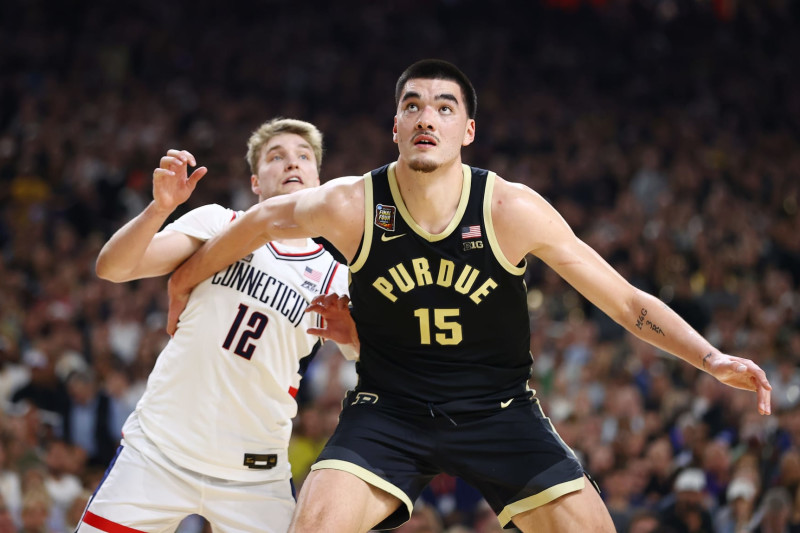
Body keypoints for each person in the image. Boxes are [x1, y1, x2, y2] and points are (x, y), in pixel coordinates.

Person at [166, 59, 772, 532]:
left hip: (499, 411)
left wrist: (711, 358)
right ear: (396, 127)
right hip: (389, 410)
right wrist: (185, 278)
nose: (428, 117)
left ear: (468, 129)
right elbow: (259, 221)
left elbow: (624, 301)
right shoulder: (352, 204)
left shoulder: (510, 208)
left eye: (444, 107)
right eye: (413, 106)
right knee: (314, 524)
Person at [77, 118, 352, 533]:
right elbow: (113, 267)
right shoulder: (217, 222)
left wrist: (354, 336)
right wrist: (161, 208)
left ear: (318, 177)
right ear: (257, 181)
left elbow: (375, 357)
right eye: (276, 157)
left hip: (255, 472)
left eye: (303, 157)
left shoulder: (336, 277)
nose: (291, 164)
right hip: (160, 450)